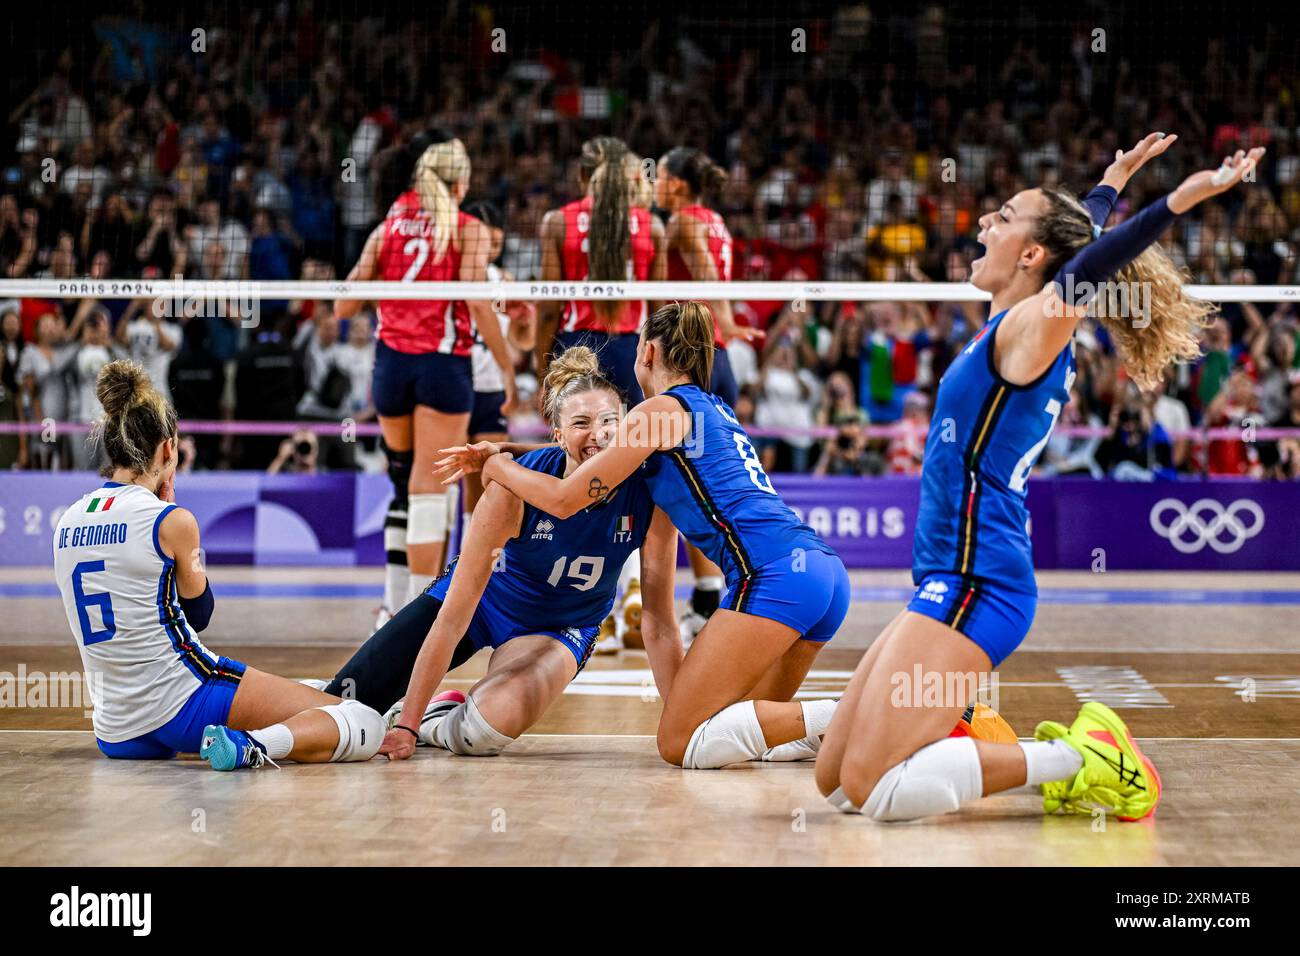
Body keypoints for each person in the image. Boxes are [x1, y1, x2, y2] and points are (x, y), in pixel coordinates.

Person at [815, 136, 1263, 823]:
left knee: (876, 790)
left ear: (1029, 256)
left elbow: (1086, 262)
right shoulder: (1014, 322)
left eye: (1000, 216)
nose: (982, 225)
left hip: (980, 582)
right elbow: (1077, 240)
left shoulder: (1037, 324)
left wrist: (1181, 199)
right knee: (833, 781)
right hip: (949, 577)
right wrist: (1110, 181)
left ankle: (1085, 759)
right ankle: (959, 734)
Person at [443, 302, 850, 769]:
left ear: (649, 352)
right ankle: (895, 734)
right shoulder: (713, 409)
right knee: (738, 732)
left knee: (681, 743)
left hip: (773, 579)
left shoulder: (656, 410)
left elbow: (563, 499)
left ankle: (857, 711)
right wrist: (512, 448)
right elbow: (598, 455)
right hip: (823, 574)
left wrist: (495, 466)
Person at [323, 348, 674, 760]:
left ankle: (438, 722)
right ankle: (393, 712)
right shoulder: (516, 487)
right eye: (580, 423)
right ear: (558, 436)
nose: (597, 434)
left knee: (482, 733)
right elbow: (453, 618)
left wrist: (683, 722)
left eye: (609, 422)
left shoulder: (650, 492)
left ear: (629, 428)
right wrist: (404, 728)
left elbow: (661, 623)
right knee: (340, 704)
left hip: (560, 629)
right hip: (482, 604)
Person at [52, 360, 386, 771]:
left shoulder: (67, 521)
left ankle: (251, 734)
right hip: (184, 700)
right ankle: (249, 744)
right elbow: (201, 613)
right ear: (169, 448)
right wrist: (170, 512)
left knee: (317, 691)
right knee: (362, 719)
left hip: (117, 729)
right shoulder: (170, 520)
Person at [337, 131, 518, 626]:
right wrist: (505, 368)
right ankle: (420, 614)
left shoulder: (388, 226)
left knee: (406, 481)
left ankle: (396, 607)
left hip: (390, 366)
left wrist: (391, 290)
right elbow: (479, 305)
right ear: (460, 184)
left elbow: (343, 304)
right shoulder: (465, 229)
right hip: (442, 366)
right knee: (431, 487)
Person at [653, 146, 766, 646]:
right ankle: (707, 597)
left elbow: (706, 275)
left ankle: (689, 598)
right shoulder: (716, 220)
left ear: (676, 184)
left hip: (691, 356)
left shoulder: (680, 222)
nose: (653, 184)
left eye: (659, 176)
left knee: (672, 484)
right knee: (707, 483)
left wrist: (726, 313)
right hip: (717, 357)